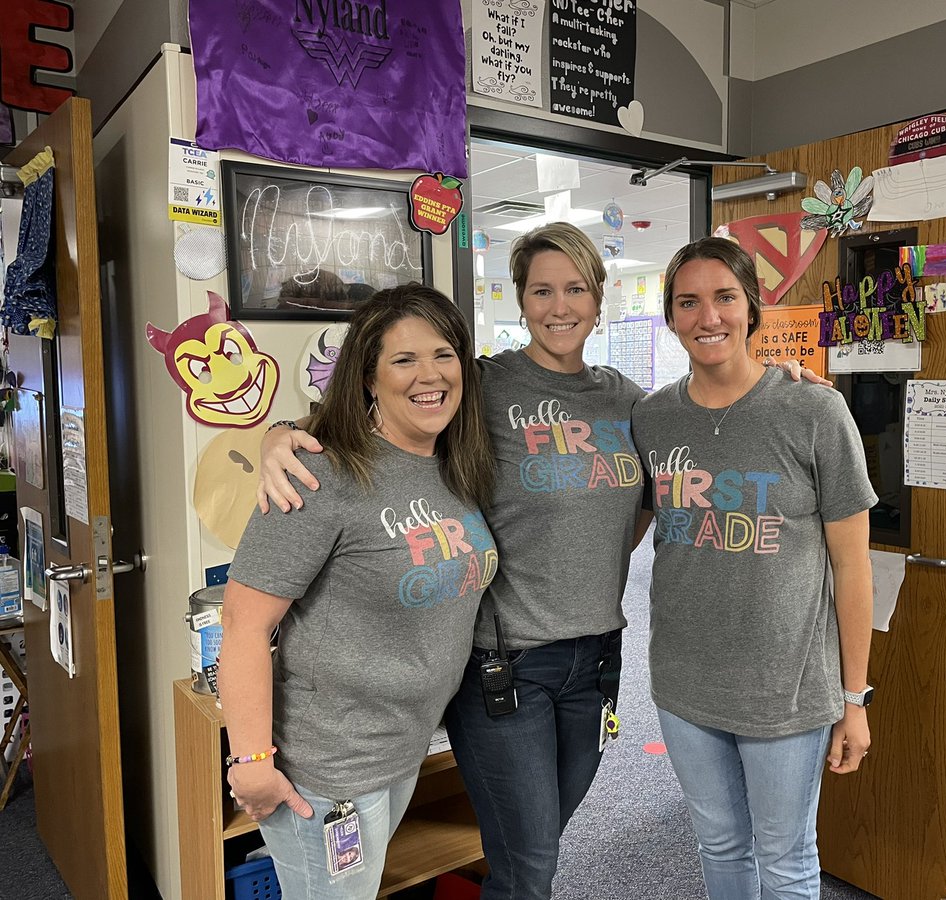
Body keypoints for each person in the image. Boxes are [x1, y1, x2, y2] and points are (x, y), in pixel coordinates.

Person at [257, 223, 828, 899]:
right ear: (521, 300)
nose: (560, 306)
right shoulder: (482, 384)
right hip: (509, 666)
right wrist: (282, 436)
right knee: (529, 865)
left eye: (576, 289)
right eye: (541, 290)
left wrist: (786, 387)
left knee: (543, 841)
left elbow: (668, 482)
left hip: (597, 660)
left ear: (598, 298)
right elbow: (375, 407)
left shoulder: (629, 400)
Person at [220, 284, 497, 899]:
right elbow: (241, 623)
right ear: (368, 377)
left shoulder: (455, 464)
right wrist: (251, 763)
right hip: (330, 765)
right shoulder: (318, 472)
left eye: (444, 354)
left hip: (403, 748)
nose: (429, 375)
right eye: (404, 360)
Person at [631, 237, 876, 900]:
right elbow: (619, 526)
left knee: (787, 856)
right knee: (718, 844)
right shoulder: (652, 418)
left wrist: (855, 701)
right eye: (689, 302)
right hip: (685, 681)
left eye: (724, 298)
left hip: (785, 687)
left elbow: (853, 569)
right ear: (672, 317)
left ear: (752, 309)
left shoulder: (813, 410)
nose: (707, 316)